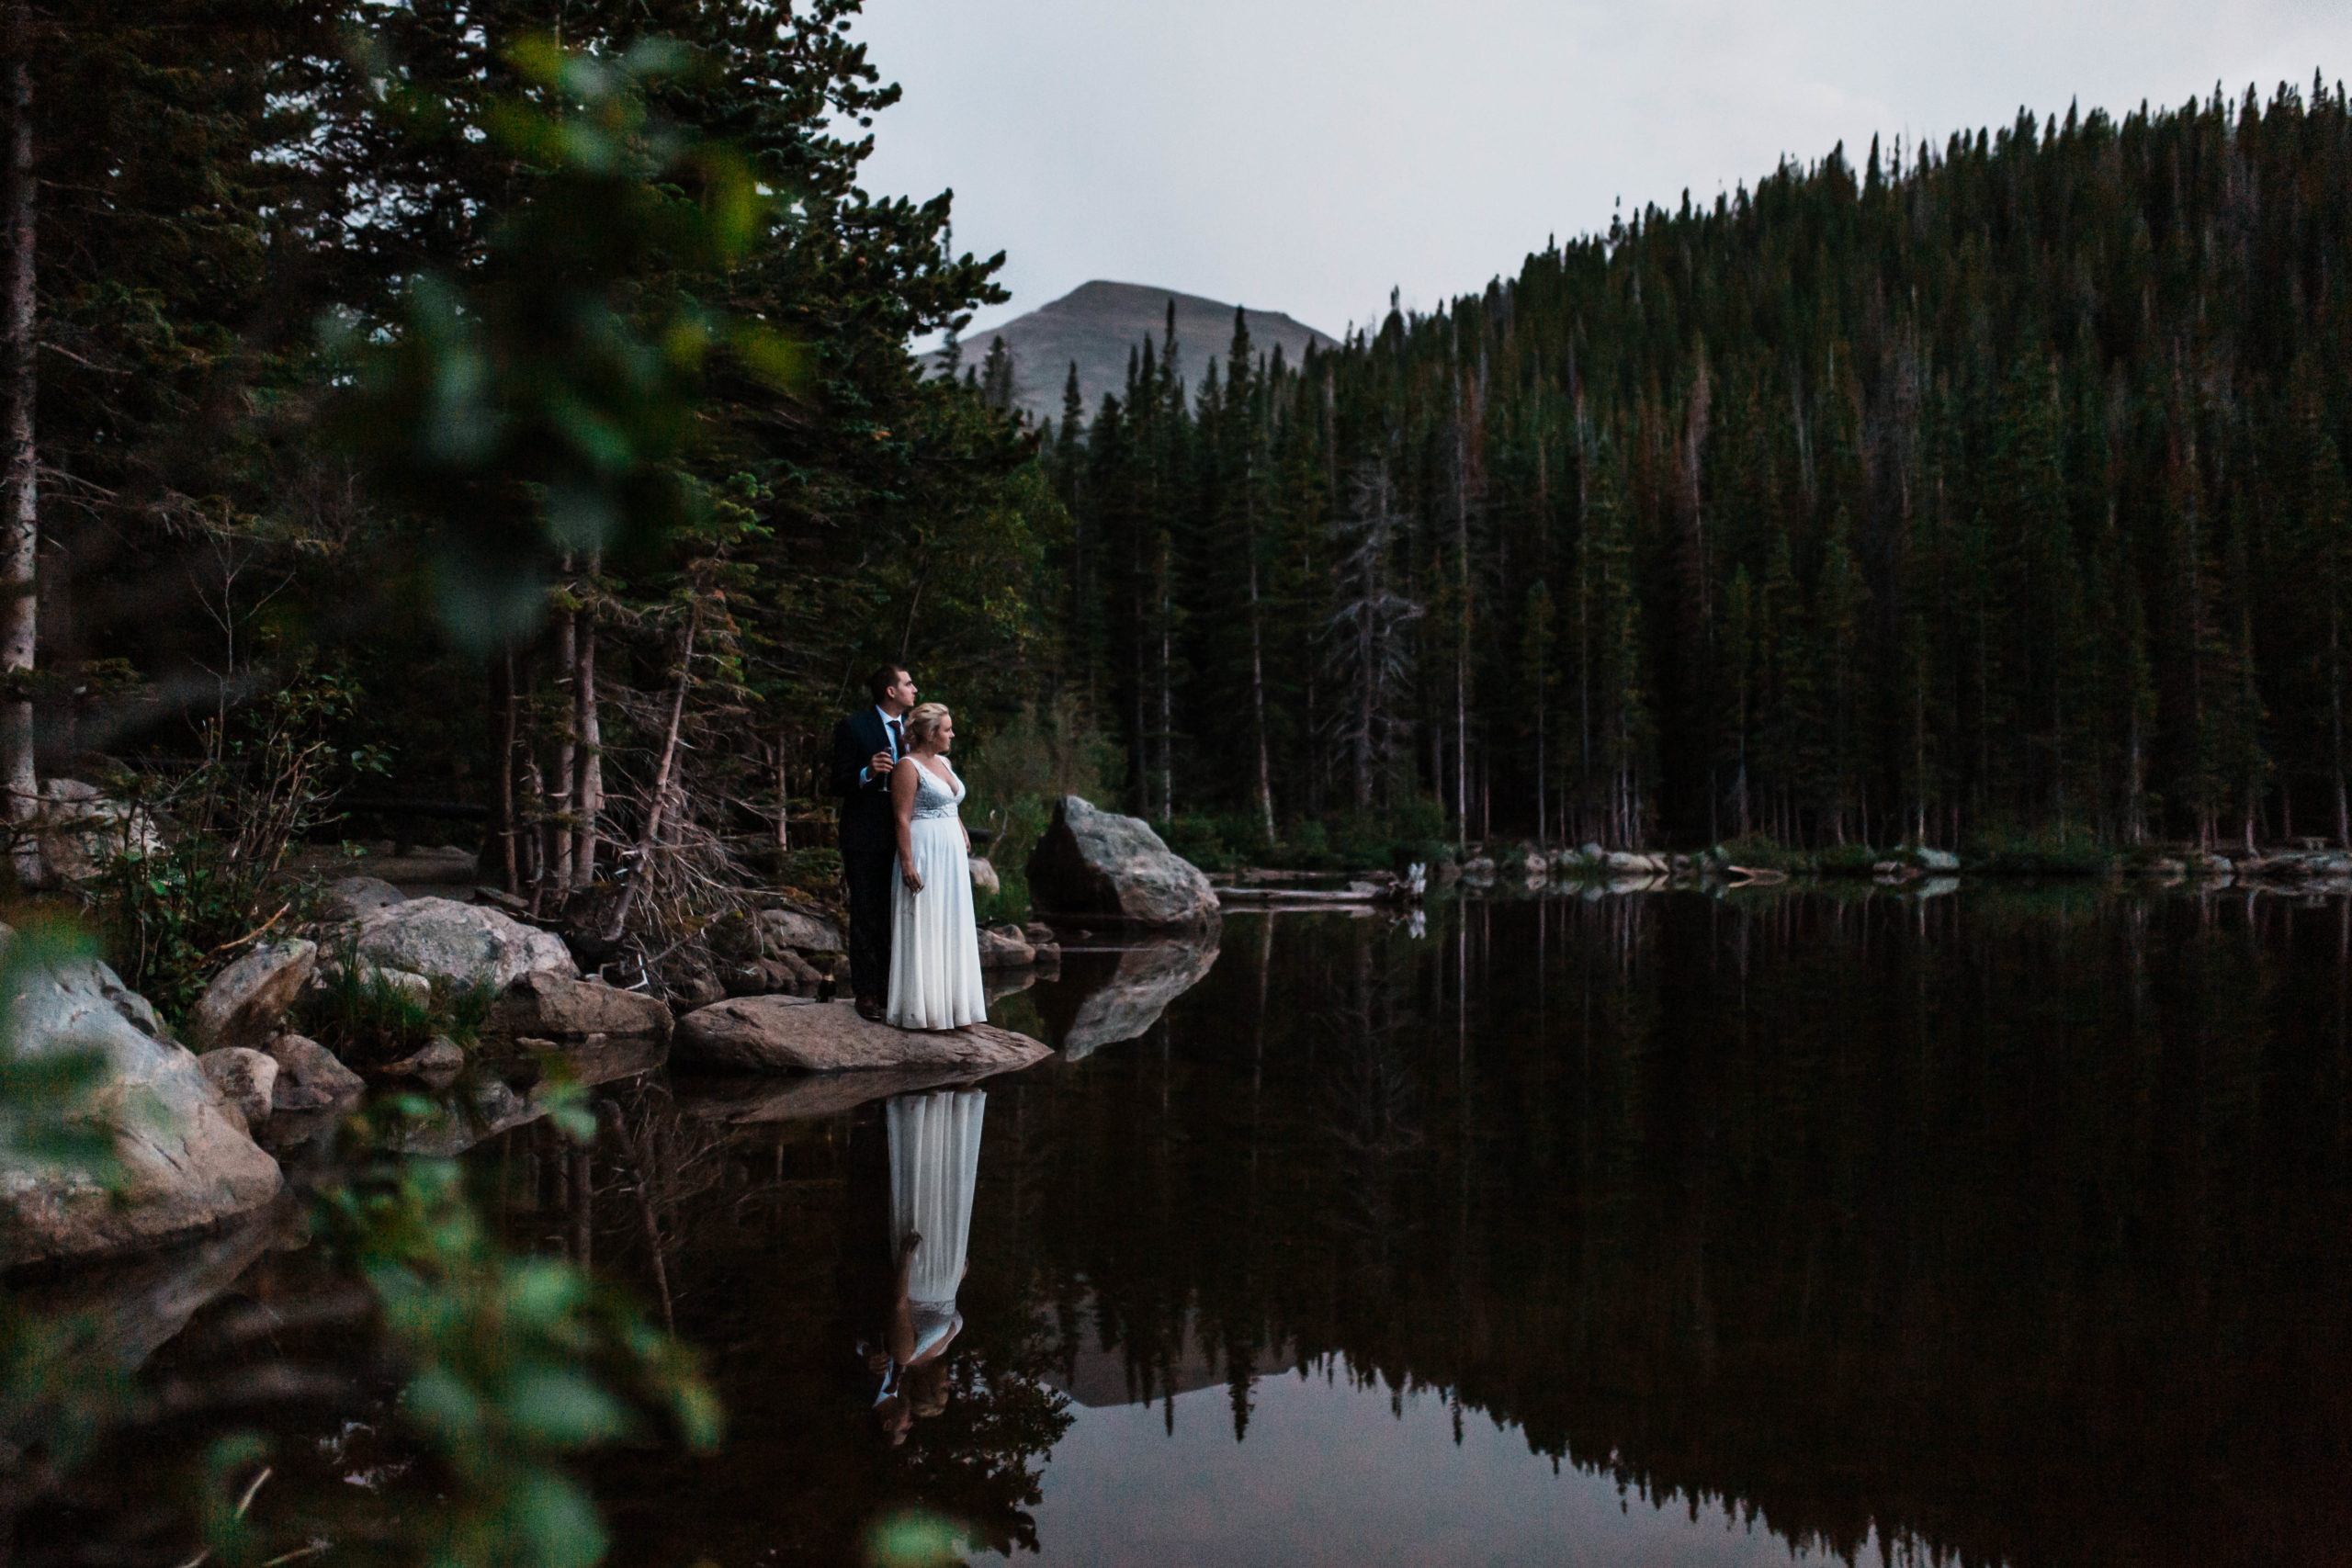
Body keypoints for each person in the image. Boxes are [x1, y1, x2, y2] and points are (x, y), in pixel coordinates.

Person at [885, 702, 987, 1030]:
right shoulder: (906, 766)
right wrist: (907, 862)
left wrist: (959, 828)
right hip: (925, 849)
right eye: (946, 729)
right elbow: (901, 817)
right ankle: (923, 1009)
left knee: (952, 923)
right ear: (930, 734)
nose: (952, 734)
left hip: (951, 854)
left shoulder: (943, 761)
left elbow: (951, 802)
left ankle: (959, 1009)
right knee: (925, 923)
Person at [831, 665, 918, 1022]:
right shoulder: (855, 726)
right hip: (865, 835)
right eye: (909, 683)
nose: (915, 689)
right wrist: (867, 772)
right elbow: (836, 784)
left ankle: (893, 989)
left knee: (897, 913)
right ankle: (866, 993)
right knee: (867, 912)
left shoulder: (913, 732)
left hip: (907, 837)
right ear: (890, 691)